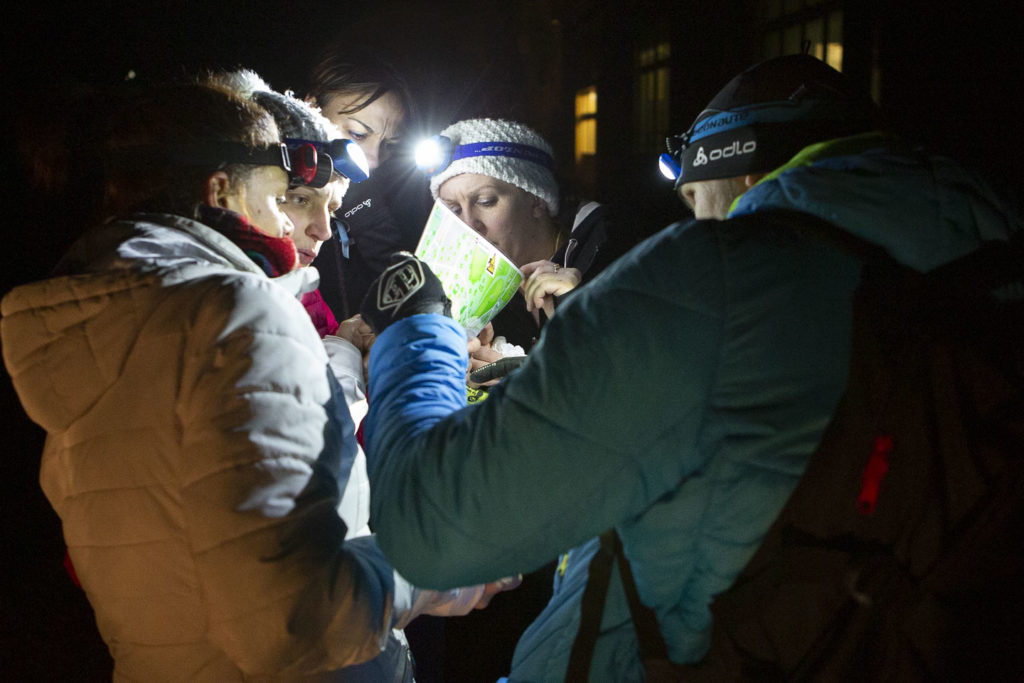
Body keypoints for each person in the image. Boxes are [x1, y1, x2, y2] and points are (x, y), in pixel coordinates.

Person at [355, 54, 1022, 681]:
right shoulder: (982, 255)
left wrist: (417, 327)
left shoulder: (717, 275)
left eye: (699, 205)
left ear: (744, 177)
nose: (698, 225)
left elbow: (431, 525)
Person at [0, 76, 497, 681]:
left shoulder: (109, 331)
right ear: (219, 190)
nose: (293, 228)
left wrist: (339, 353)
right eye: (281, 196)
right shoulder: (235, 311)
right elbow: (295, 619)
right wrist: (442, 562)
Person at [425, 117, 622, 359]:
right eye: (454, 210)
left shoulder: (615, 253)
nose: (468, 224)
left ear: (536, 200)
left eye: (486, 201)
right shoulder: (467, 296)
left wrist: (578, 306)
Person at [305, 45, 434, 321]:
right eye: (358, 134)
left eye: (389, 145)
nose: (374, 160)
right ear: (310, 108)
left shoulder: (395, 196)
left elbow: (403, 291)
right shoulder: (263, 193)